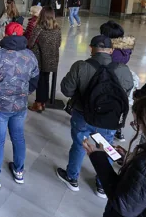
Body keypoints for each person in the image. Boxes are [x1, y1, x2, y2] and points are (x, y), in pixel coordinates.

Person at [56, 35, 134, 198]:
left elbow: (66, 90)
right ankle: (103, 184)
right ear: (111, 50)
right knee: (107, 147)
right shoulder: (121, 69)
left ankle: (72, 178)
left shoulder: (81, 66)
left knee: (79, 144)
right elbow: (126, 91)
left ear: (91, 48)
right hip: (109, 119)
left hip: (83, 115)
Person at [0, 22, 40, 190]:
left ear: (5, 34)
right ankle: (19, 172)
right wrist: (24, 93)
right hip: (20, 106)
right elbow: (35, 79)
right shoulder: (30, 56)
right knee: (18, 137)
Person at [100, 20, 136, 142]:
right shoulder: (125, 46)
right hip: (123, 75)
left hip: (111, 76)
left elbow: (103, 62)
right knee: (120, 103)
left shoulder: (112, 50)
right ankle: (119, 129)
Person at [27, 7, 61, 113]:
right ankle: (43, 102)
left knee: (40, 81)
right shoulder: (57, 28)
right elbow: (59, 43)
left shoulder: (39, 27)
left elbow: (31, 42)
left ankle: (38, 103)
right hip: (52, 59)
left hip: (40, 58)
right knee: (46, 80)